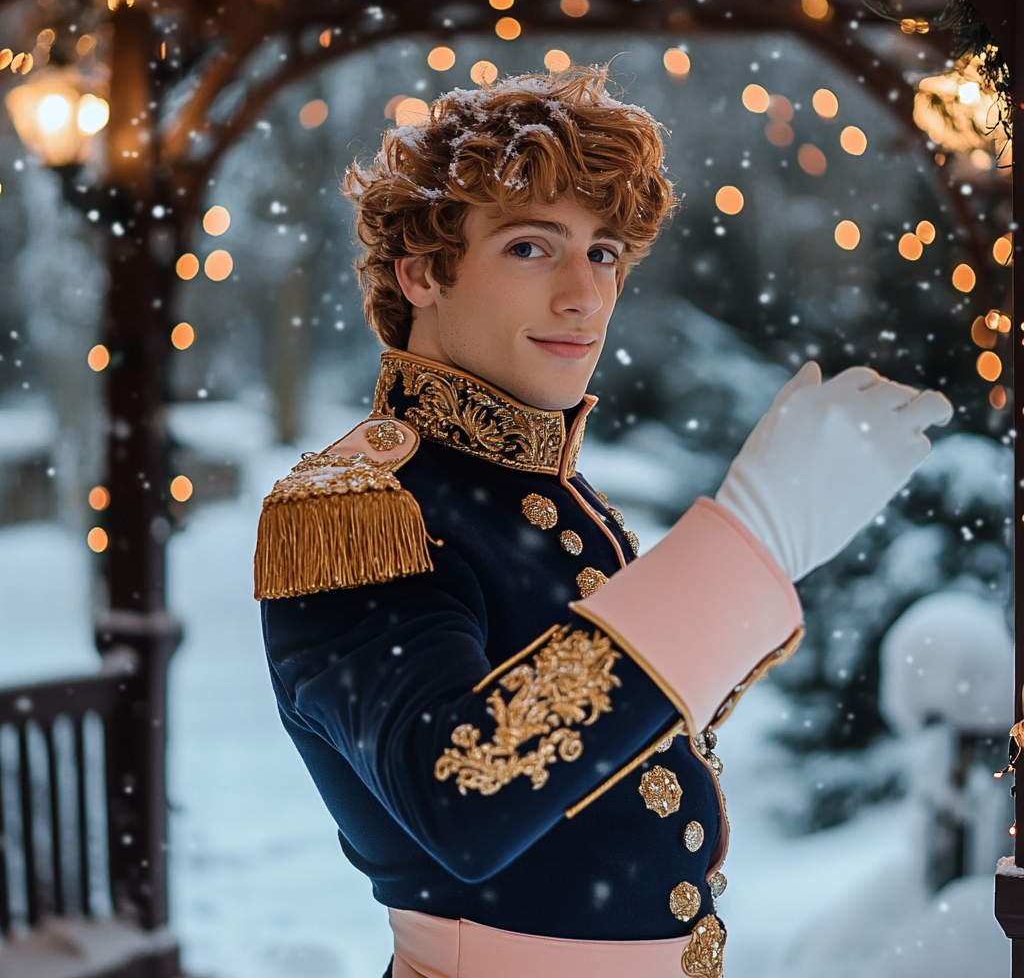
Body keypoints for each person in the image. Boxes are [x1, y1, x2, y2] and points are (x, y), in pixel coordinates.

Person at [255, 65, 951, 978]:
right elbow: (466, 791)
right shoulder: (355, 509)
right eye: (532, 248)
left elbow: (626, 736)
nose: (584, 295)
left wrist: (767, 562)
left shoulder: (557, 500)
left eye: (605, 252)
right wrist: (749, 541)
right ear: (420, 272)